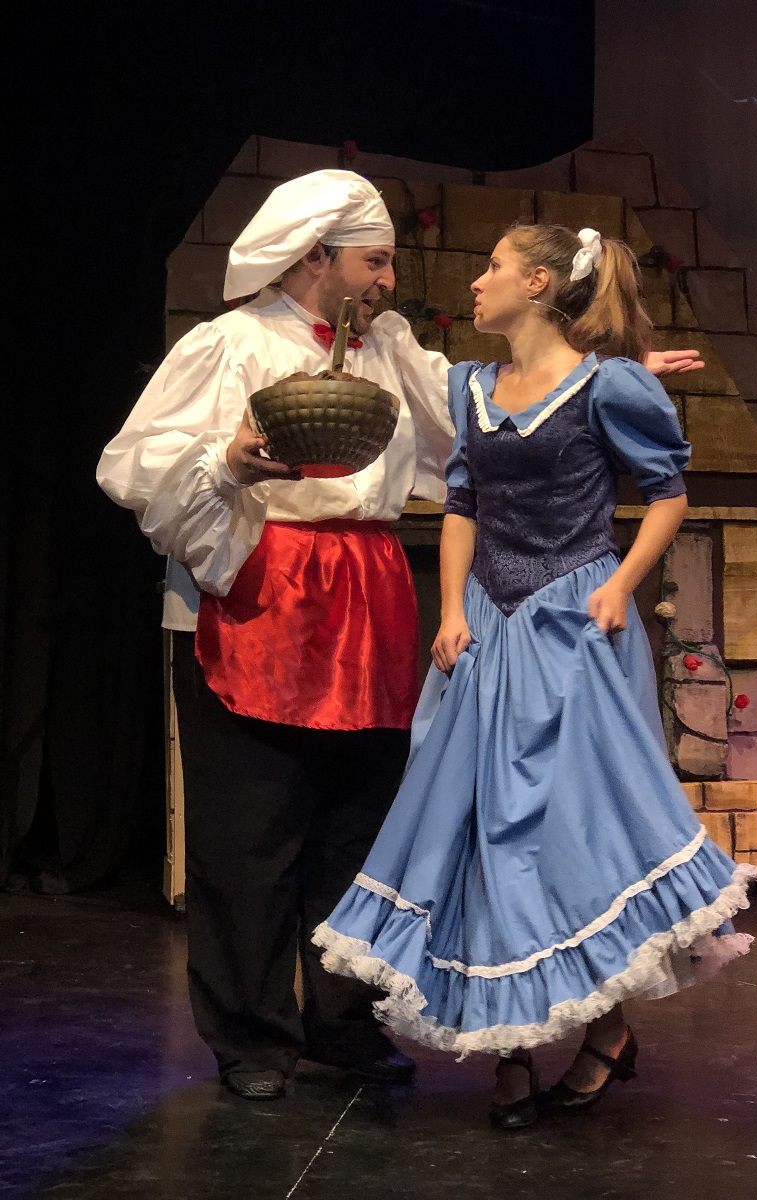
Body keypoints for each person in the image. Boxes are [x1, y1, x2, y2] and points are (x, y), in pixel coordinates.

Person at [97, 166, 705, 1103]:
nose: (389, 279)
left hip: (364, 599)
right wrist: (229, 461)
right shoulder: (230, 344)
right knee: (251, 833)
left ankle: (345, 1025)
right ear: (317, 257)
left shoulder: (387, 345)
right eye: (375, 262)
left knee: (364, 824)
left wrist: (602, 383)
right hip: (257, 591)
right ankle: (254, 1036)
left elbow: (482, 415)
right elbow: (131, 467)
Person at [313, 224, 757, 1130]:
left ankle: (605, 1031)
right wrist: (451, 608)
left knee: (566, 834)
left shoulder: (609, 385)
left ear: (541, 284)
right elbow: (462, 504)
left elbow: (668, 495)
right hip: (488, 624)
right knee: (482, 830)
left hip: (572, 621)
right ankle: (509, 1047)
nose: (477, 283)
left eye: (493, 268)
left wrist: (620, 587)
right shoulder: (475, 387)